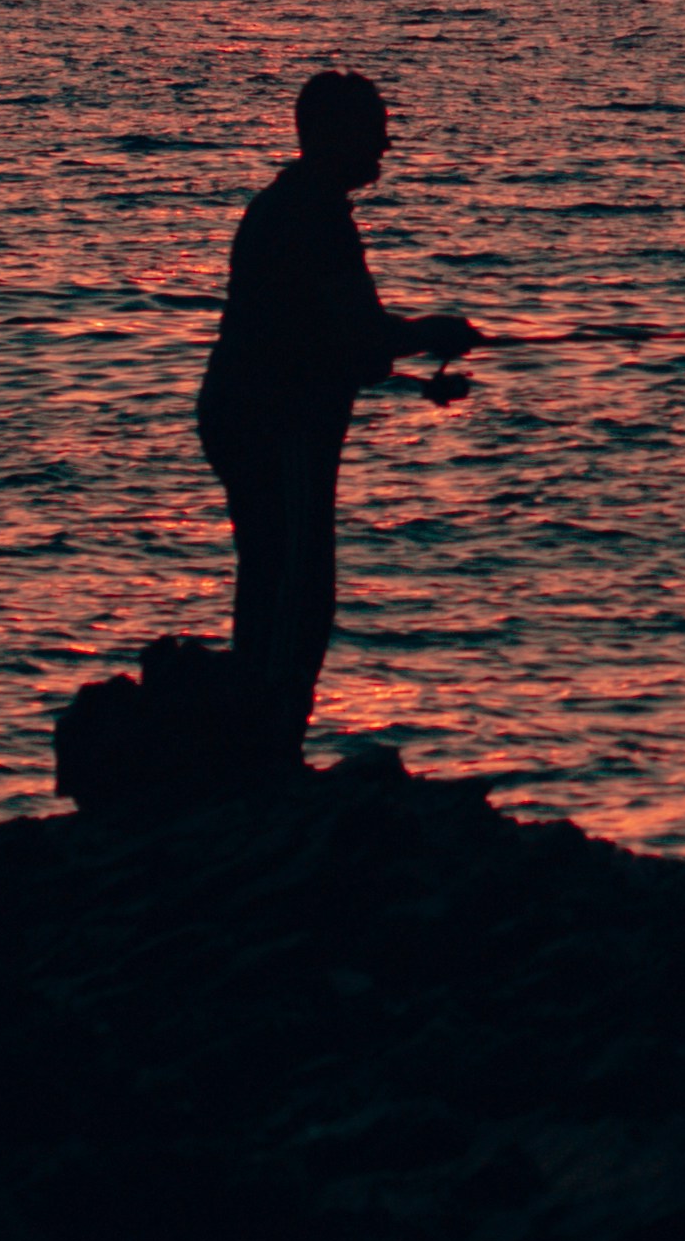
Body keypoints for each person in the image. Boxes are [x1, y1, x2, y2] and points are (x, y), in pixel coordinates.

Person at [195, 68, 479, 756]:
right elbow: (358, 332)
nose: (384, 145)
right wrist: (433, 331)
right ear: (330, 136)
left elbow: (325, 343)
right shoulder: (313, 216)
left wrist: (415, 381)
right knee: (297, 580)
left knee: (273, 570)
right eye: (372, 130)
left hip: (257, 412)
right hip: (275, 423)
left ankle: (261, 726)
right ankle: (272, 733)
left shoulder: (296, 206)